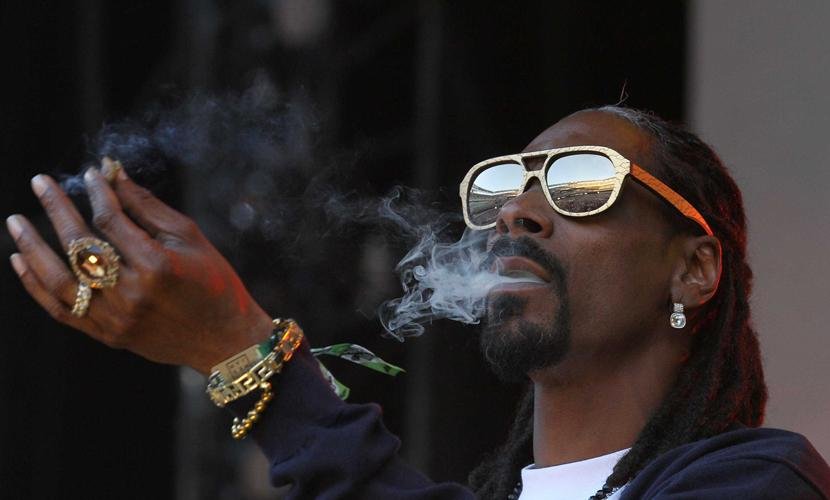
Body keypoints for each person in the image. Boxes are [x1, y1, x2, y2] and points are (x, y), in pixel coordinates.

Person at [6, 106, 830, 499]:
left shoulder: (763, 483)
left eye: (581, 184)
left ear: (694, 271)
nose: (516, 212)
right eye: (501, 188)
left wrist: (248, 355)